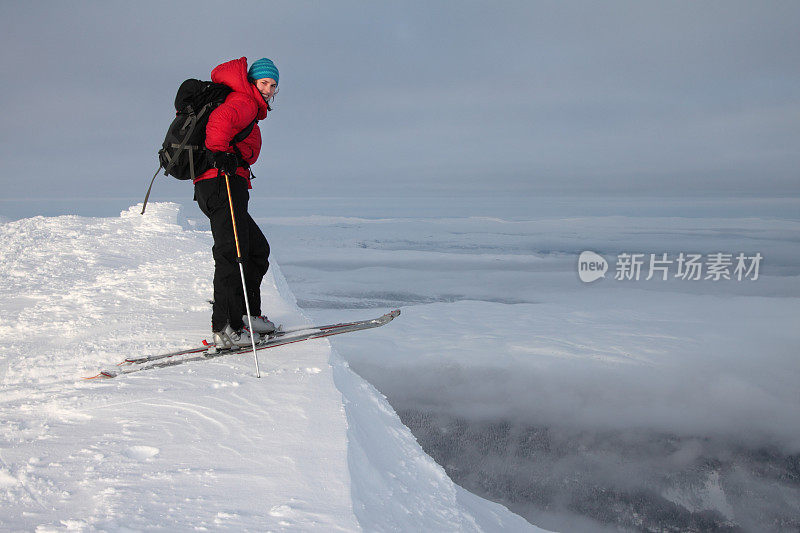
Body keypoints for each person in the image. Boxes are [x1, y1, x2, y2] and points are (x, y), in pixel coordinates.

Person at [192, 57, 279, 348]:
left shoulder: (249, 106)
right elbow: (219, 122)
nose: (269, 89)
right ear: (253, 82)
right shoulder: (243, 102)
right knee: (232, 253)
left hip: (227, 182)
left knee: (255, 250)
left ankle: (245, 315)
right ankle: (225, 327)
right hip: (221, 182)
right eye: (264, 83)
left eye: (273, 85)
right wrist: (220, 153)